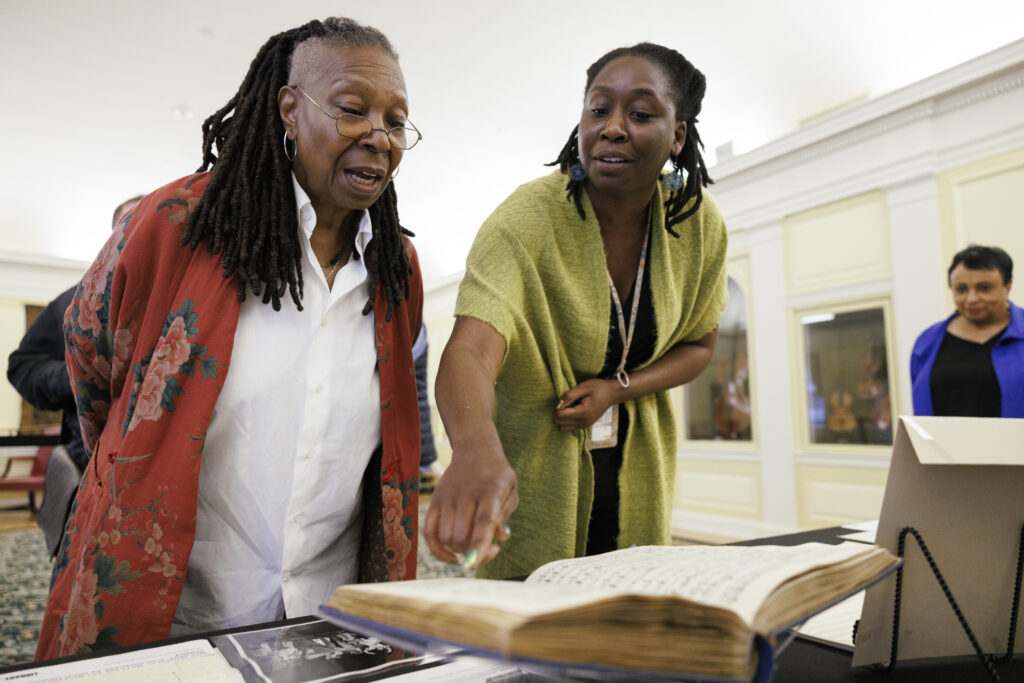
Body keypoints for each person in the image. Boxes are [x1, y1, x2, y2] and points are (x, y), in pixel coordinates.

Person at [36, 17, 424, 659]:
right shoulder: (174, 226)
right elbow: (92, 362)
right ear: (290, 111)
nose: (378, 137)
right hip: (180, 613)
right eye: (353, 110)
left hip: (329, 618)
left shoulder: (395, 267)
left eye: (396, 120)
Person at [425, 43, 727, 579]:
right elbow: (471, 347)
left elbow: (701, 346)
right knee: (534, 634)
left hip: (637, 468)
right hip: (534, 474)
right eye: (598, 109)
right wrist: (473, 449)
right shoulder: (527, 219)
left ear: (678, 134)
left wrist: (621, 386)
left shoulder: (696, 225)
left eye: (640, 113)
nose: (612, 127)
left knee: (626, 618)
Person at [7, 196, 142, 555]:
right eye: (132, 224)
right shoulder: (74, 301)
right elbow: (22, 365)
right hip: (90, 470)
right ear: (112, 236)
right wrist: (80, 375)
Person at [911, 244, 1024, 417]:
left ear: (1007, 286)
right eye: (961, 289)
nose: (971, 299)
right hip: (942, 444)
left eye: (984, 288)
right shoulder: (926, 343)